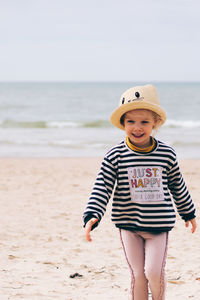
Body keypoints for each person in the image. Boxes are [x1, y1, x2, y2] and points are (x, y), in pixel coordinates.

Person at [83, 84, 197, 300]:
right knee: (138, 275)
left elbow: (177, 185)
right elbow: (102, 186)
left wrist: (188, 213)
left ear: (155, 123)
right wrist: (92, 215)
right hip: (129, 224)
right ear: (123, 123)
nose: (137, 127)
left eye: (144, 121)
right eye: (131, 122)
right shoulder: (115, 155)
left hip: (158, 226)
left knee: (153, 272)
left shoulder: (166, 153)